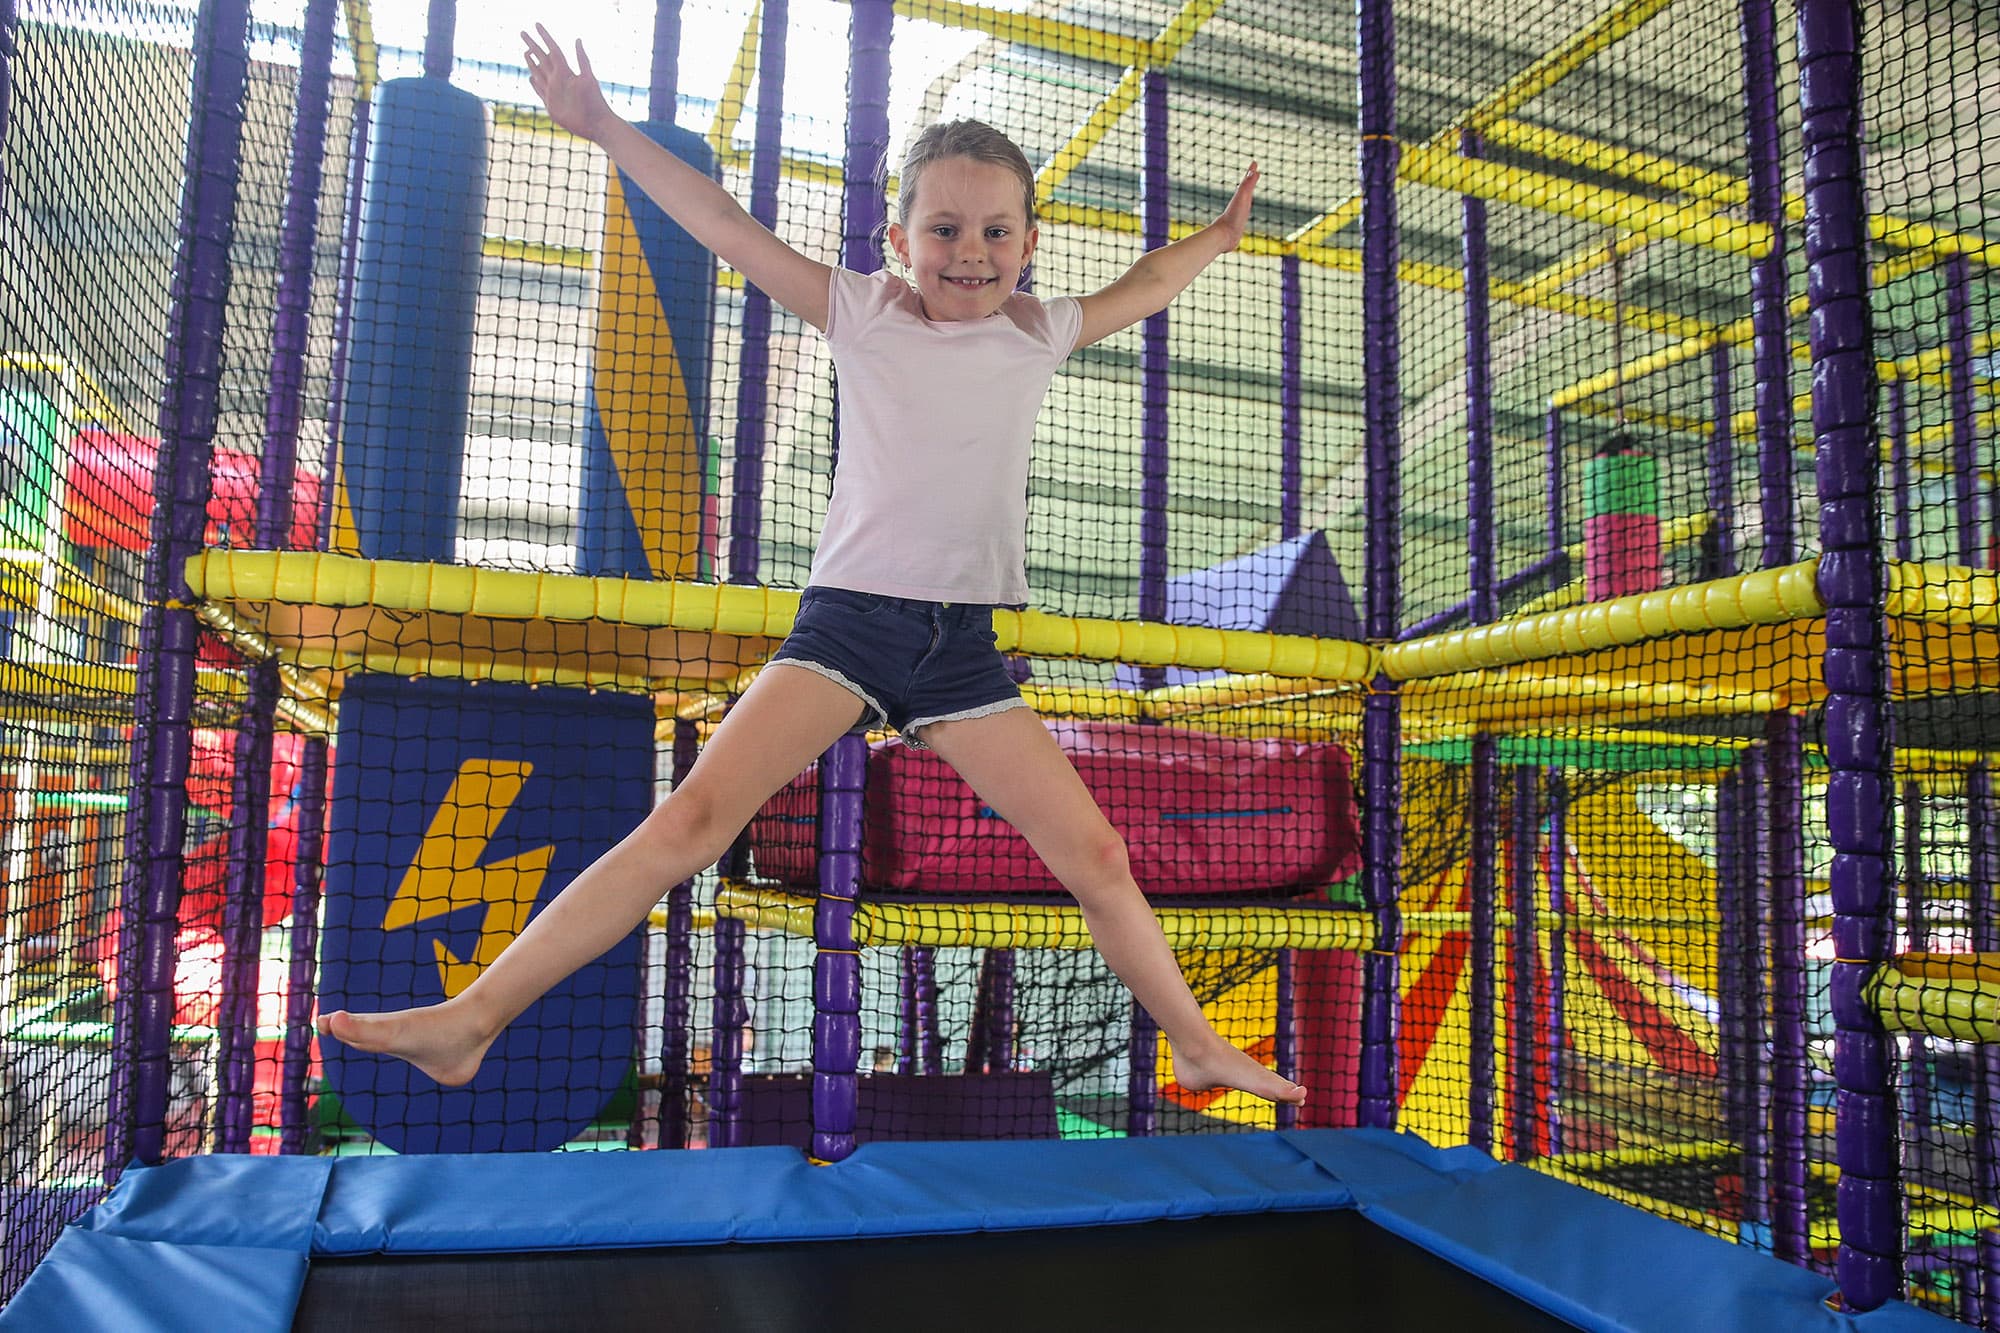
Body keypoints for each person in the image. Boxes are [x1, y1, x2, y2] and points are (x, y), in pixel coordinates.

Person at [317, 25, 1306, 1109]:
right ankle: (472, 1016)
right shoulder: (861, 310)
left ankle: (1197, 1043)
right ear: (898, 237)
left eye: (992, 230)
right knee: (688, 824)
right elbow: (724, 225)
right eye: (942, 229)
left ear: (1029, 241)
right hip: (848, 629)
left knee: (1096, 856)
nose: (967, 251)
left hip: (958, 653)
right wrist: (603, 129)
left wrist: (1215, 236)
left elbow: (1147, 280)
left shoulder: (1038, 330)